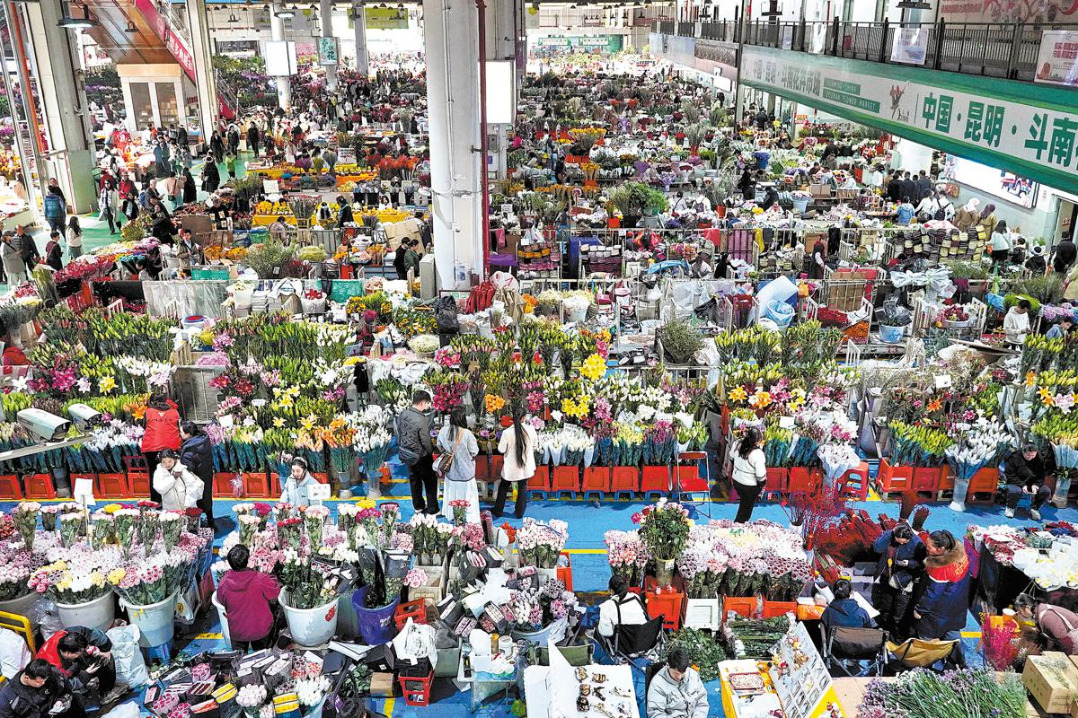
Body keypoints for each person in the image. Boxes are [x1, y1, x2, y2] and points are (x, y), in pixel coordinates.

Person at [913, 529, 971, 661]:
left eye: (930, 547)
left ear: (941, 549)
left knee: (926, 639)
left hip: (939, 612)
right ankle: (958, 663)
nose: (926, 548)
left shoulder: (940, 568)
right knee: (953, 634)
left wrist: (920, 610)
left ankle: (925, 664)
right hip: (958, 606)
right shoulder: (961, 555)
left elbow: (933, 593)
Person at [215, 545, 281, 652]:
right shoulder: (260, 579)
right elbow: (274, 593)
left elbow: (221, 600)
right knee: (262, 657)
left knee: (238, 660)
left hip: (238, 630)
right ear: (247, 560)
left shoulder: (224, 582)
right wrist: (270, 576)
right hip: (260, 629)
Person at [36, 627, 115, 706]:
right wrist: (86, 674)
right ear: (67, 653)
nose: (83, 653)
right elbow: (64, 686)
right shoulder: (50, 668)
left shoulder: (69, 633)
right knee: (74, 699)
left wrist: (104, 651)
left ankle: (106, 691)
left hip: (71, 666)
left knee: (105, 658)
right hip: (61, 681)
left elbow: (98, 636)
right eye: (79, 652)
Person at [871, 523, 925, 637]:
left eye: (903, 542)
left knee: (899, 610)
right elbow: (877, 548)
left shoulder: (917, 543)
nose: (900, 543)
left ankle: (895, 633)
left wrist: (909, 563)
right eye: (898, 541)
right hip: (888, 577)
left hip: (905, 581)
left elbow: (922, 563)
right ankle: (883, 627)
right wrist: (889, 535)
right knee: (886, 605)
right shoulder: (889, 536)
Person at [436, 406, 480, 525]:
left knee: (452, 493)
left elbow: (439, 446)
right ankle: (468, 515)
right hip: (466, 473)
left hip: (451, 472)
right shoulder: (467, 434)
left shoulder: (444, 431)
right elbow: (474, 451)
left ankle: (451, 513)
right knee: (468, 496)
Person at [398, 391, 437, 514]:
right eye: (427, 403)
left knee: (414, 481)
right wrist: (431, 452)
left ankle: (418, 506)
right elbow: (425, 440)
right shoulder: (421, 419)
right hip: (421, 456)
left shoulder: (403, 414)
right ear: (422, 403)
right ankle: (432, 509)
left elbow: (399, 431)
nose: (427, 406)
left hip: (407, 454)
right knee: (430, 482)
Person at [493, 411, 537, 519]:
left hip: (510, 467)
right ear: (523, 418)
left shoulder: (507, 432)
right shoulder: (530, 430)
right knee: (523, 486)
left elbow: (501, 449)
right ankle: (519, 513)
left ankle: (498, 511)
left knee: (503, 487)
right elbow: (535, 446)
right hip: (525, 466)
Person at [141, 392, 181, 503]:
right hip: (172, 446)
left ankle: (156, 500)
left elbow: (144, 426)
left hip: (152, 447)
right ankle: (174, 499)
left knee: (154, 473)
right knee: (173, 473)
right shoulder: (174, 411)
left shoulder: (148, 412)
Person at [0, 659, 75, 718]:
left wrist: (61, 701)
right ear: (27, 678)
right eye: (38, 682)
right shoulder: (8, 697)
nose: (43, 683)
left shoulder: (54, 675)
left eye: (45, 680)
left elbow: (67, 692)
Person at [646, 647, 708, 718]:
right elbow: (655, 713)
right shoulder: (658, 684)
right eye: (676, 673)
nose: (679, 677)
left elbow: (702, 701)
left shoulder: (693, 675)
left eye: (682, 673)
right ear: (668, 665)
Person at [1014, 593, 1078, 655]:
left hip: (1073, 643)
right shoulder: (1038, 612)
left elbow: (1067, 641)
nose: (1019, 614)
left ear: (1027, 608)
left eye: (1020, 611)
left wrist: (1065, 657)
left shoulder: (1047, 617)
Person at [179, 422, 215, 530]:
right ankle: (211, 521)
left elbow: (188, 468)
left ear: (188, 434)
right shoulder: (204, 440)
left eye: (181, 432)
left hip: (196, 478)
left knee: (193, 502)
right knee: (207, 497)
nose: (180, 434)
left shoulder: (190, 449)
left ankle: (194, 526)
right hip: (206, 474)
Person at [1002, 443, 1052, 520]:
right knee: (1015, 491)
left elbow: (1041, 475)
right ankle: (1010, 507)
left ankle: (1034, 508)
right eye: (1028, 456)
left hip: (1032, 482)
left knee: (1046, 491)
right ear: (1023, 452)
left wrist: (1036, 485)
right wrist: (1022, 485)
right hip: (1016, 481)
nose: (1031, 458)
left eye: (1033, 456)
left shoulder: (1039, 458)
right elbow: (1009, 474)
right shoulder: (1014, 457)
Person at [732, 427, 766, 523]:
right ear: (758, 441)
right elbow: (761, 476)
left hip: (736, 481)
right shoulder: (757, 453)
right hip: (748, 486)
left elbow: (731, 458)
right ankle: (737, 526)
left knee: (744, 505)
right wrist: (762, 486)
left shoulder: (737, 444)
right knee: (745, 511)